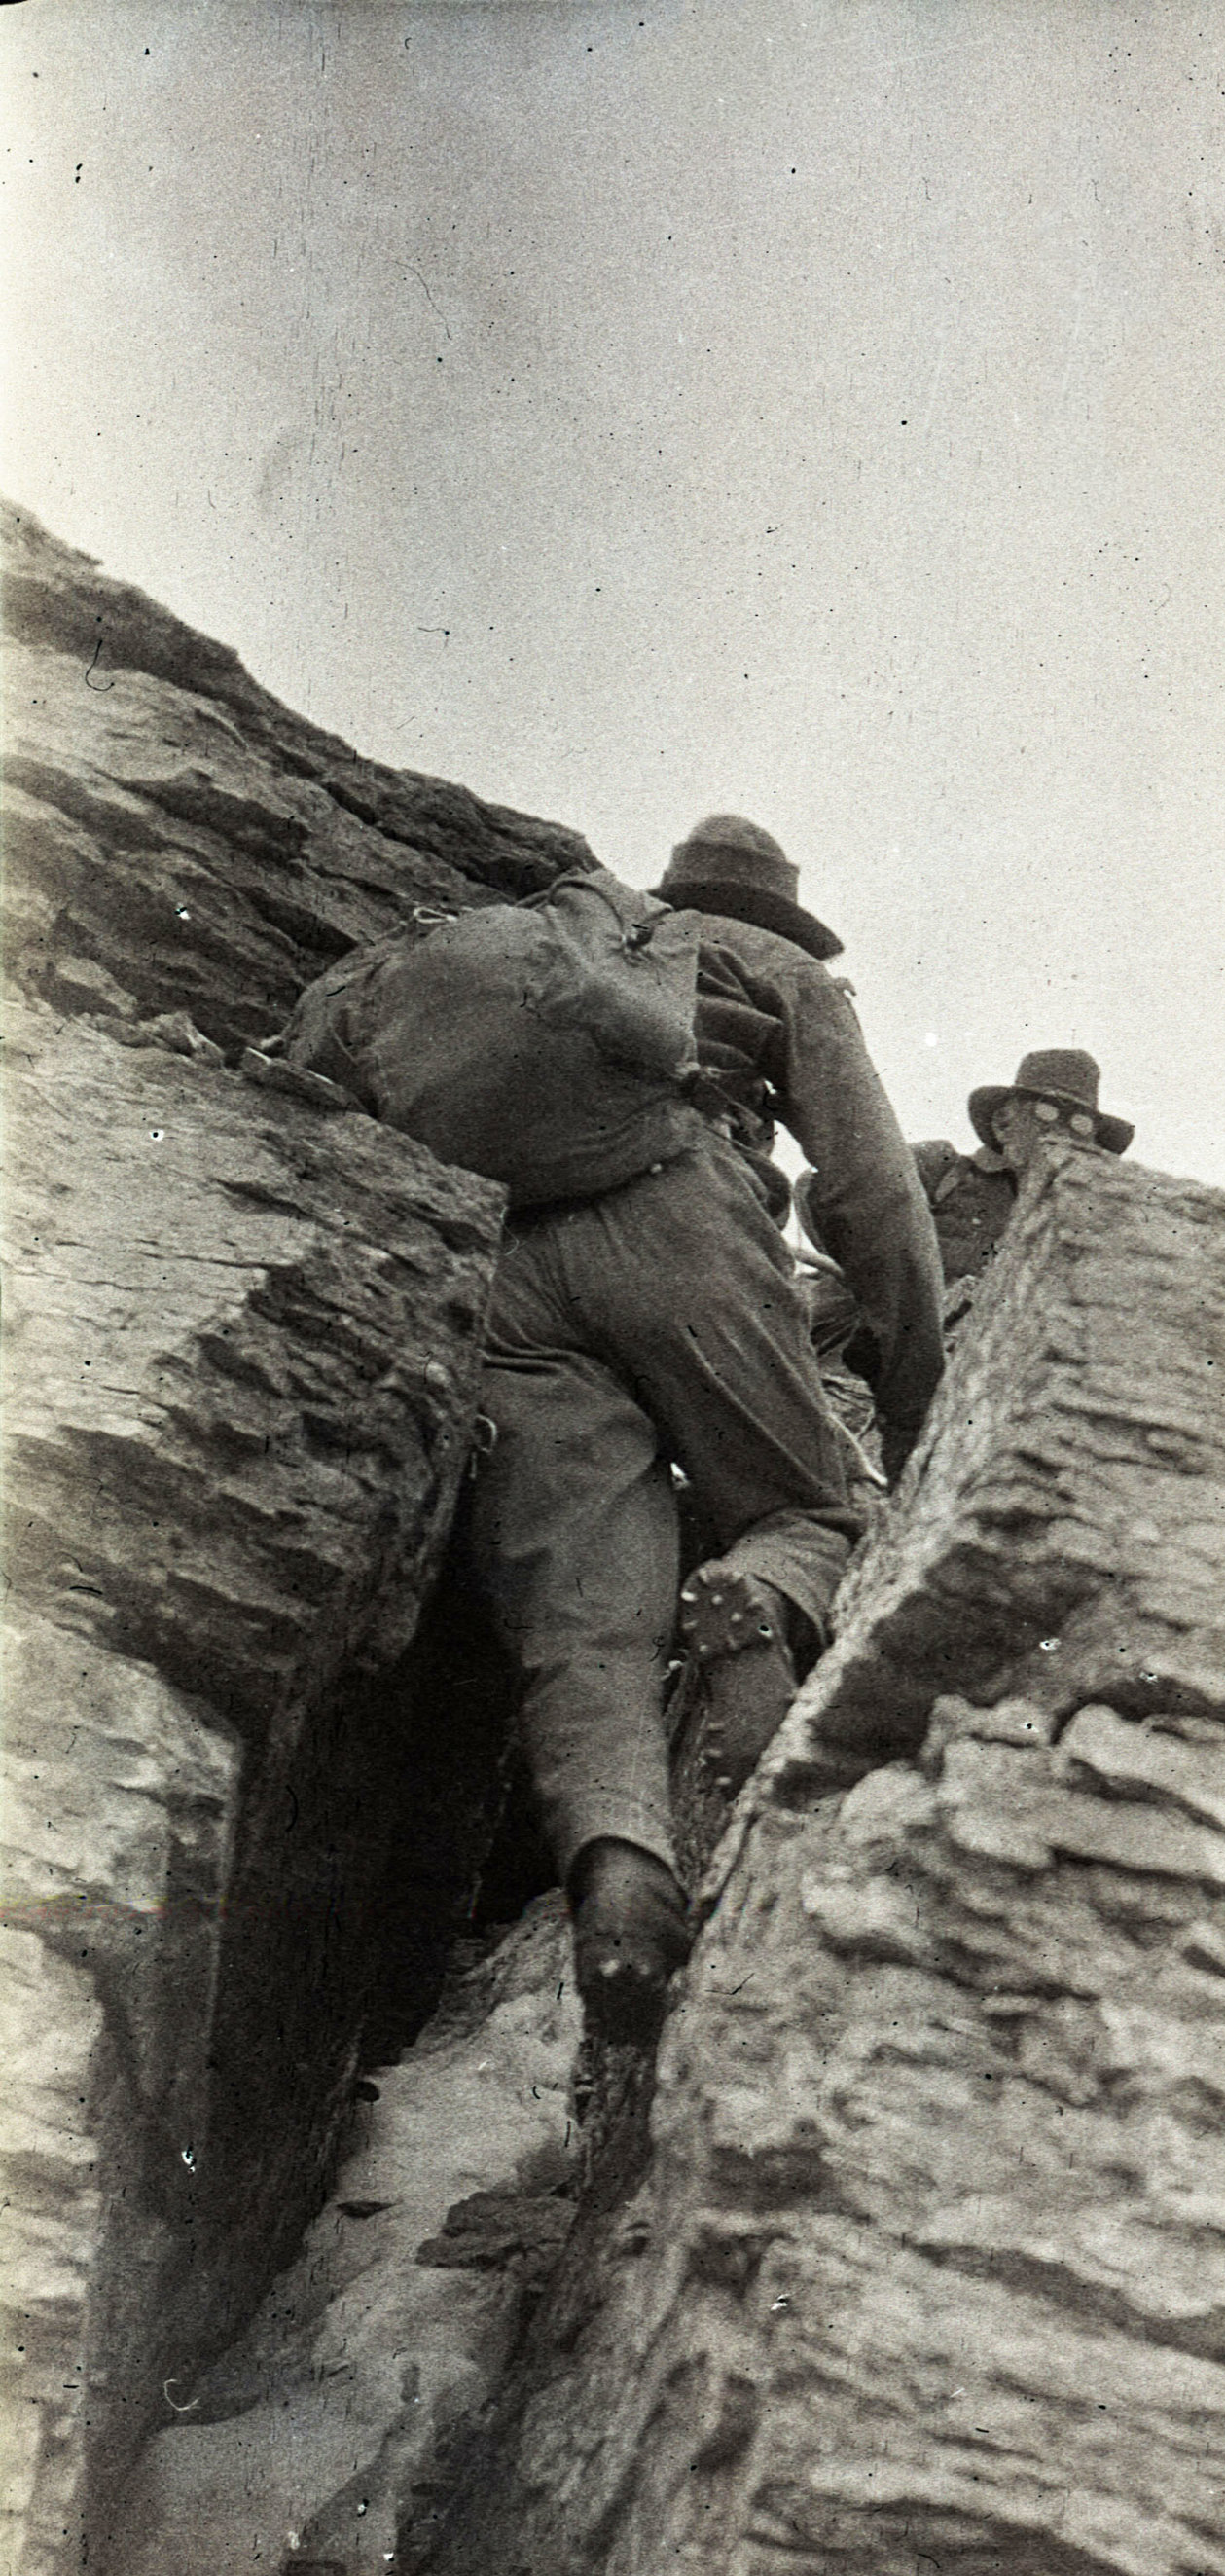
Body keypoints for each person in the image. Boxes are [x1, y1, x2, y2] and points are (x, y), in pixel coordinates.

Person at [292, 816, 944, 2050]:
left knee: (584, 1610)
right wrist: (918, 1410)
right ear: (783, 911)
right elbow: (871, 1191)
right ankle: (756, 1594)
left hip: (508, 1259)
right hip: (680, 1213)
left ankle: (620, 1860)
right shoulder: (780, 970)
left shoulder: (581, 942)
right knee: (805, 1510)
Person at [912, 1048, 1135, 1313]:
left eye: (1080, 1123)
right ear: (1003, 1124)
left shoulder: (1086, 1225)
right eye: (1045, 1112)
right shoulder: (938, 1167)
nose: (1061, 1131)